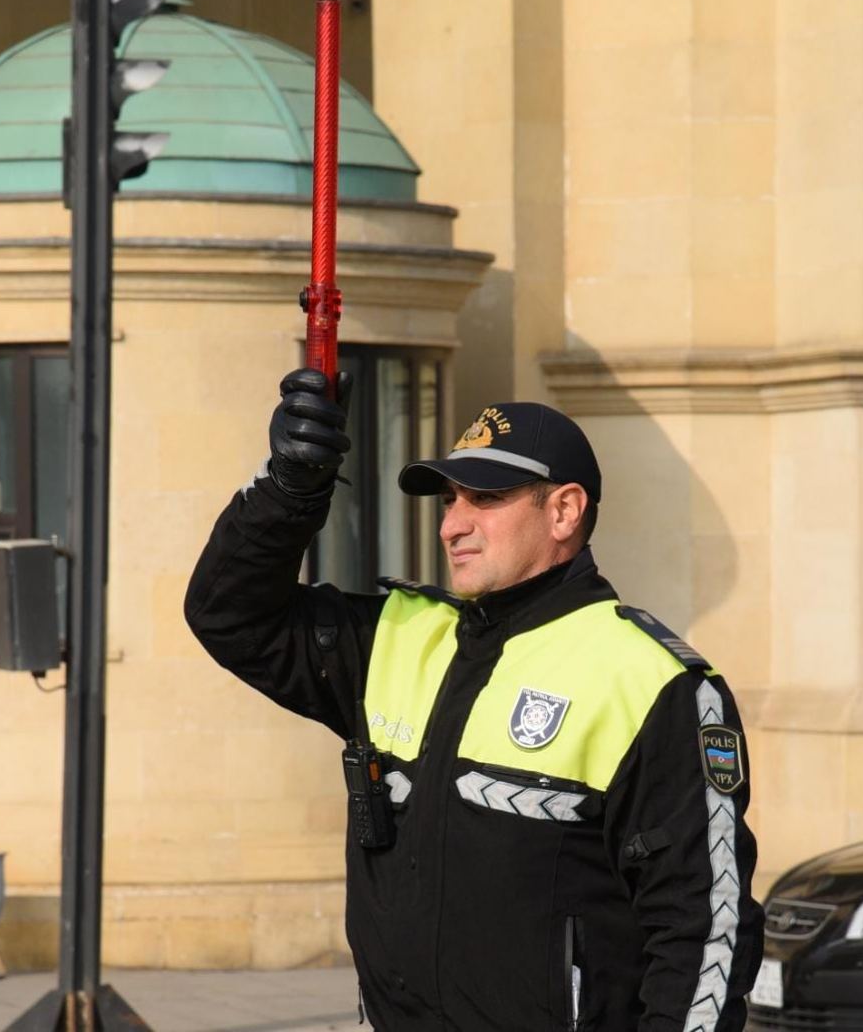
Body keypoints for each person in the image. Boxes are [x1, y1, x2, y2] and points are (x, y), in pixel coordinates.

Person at [185, 368, 764, 1032]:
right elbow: (227, 616)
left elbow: (702, 930)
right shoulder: (395, 636)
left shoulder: (652, 680)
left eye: (483, 499)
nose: (451, 526)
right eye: (448, 500)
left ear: (564, 510)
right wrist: (288, 489)